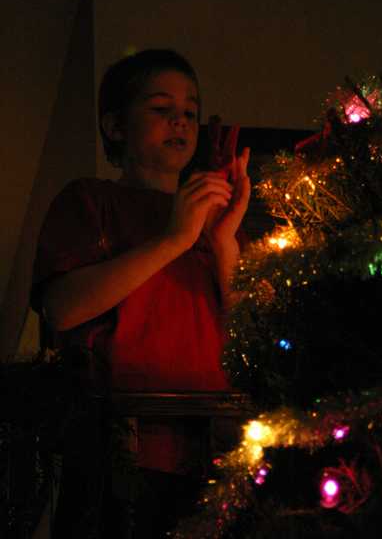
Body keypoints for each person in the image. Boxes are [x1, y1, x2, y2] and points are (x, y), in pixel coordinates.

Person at [31, 49, 250, 537]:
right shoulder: (91, 201)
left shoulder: (211, 220)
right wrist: (173, 239)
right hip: (121, 454)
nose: (180, 120)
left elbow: (252, 334)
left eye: (190, 111)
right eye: (160, 108)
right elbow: (61, 308)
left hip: (217, 450)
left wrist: (223, 243)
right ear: (115, 126)